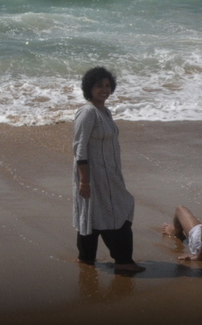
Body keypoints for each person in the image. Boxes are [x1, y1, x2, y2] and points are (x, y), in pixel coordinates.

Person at [73, 66, 145, 273]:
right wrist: (84, 181)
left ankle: (86, 259)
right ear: (89, 88)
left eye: (107, 85)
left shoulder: (105, 111)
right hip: (93, 175)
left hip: (110, 174)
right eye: (99, 86)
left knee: (94, 214)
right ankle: (123, 261)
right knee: (118, 210)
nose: (104, 89)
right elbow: (79, 147)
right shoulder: (87, 112)